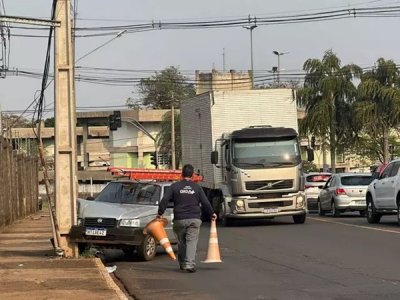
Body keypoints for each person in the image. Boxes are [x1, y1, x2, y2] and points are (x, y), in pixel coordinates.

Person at [157, 164, 217, 273]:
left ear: (182, 174)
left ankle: (182, 263)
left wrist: (160, 213)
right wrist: (212, 213)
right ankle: (189, 264)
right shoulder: (197, 188)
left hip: (179, 219)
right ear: (193, 175)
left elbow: (165, 200)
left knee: (181, 242)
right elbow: (205, 202)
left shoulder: (174, 187)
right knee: (191, 241)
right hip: (194, 219)